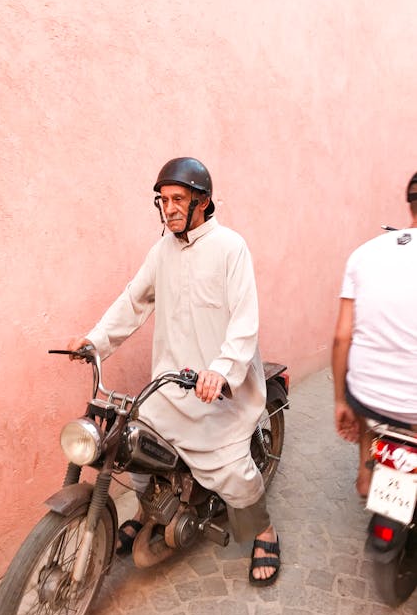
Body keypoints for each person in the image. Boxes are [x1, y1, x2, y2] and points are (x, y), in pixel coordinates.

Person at [69, 157, 280, 586]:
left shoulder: (230, 247)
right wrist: (95, 341)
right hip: (170, 388)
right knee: (133, 446)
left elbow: (244, 323)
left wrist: (221, 372)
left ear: (202, 201)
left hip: (220, 393)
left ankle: (263, 529)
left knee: (231, 472)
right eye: (163, 200)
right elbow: (133, 301)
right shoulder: (161, 251)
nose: (169, 208)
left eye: (178, 199)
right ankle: (149, 511)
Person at [332, 172, 417, 497]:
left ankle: (366, 474)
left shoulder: (364, 253)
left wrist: (341, 400)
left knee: (368, 406)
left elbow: (342, 338)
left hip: (369, 397)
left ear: (409, 204)